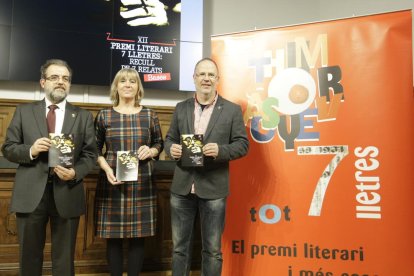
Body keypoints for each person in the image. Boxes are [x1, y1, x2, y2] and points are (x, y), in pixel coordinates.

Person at [1, 59, 98, 276]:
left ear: (70, 84)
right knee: (29, 256)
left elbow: (91, 154)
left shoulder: (82, 116)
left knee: (64, 259)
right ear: (42, 82)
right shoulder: (24, 112)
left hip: (67, 192)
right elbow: (8, 148)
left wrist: (75, 172)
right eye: (54, 77)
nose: (60, 82)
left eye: (65, 78)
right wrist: (31, 150)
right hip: (30, 194)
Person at [164, 58, 249, 275]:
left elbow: (242, 145)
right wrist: (172, 148)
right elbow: (170, 139)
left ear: (218, 80)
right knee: (179, 250)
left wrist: (221, 151)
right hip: (182, 188)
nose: (206, 79)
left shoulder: (231, 110)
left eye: (211, 75)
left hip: (214, 190)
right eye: (202, 74)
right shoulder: (181, 108)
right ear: (194, 78)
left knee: (212, 250)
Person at [94, 68, 164, 276]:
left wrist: (150, 150)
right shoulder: (104, 115)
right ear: (116, 86)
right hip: (112, 180)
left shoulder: (150, 114)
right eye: (123, 81)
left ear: (138, 87)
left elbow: (159, 144)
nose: (127, 84)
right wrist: (106, 168)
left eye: (132, 81)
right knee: (113, 238)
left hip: (142, 181)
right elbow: (94, 149)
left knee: (137, 238)